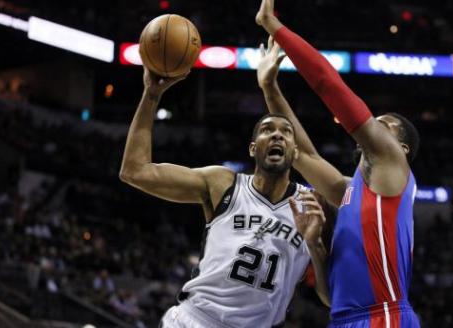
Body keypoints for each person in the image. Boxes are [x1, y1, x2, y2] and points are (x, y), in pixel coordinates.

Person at [119, 67, 329, 327]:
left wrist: (316, 245)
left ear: (295, 151)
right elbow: (135, 171)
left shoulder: (311, 205)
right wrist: (151, 95)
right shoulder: (223, 184)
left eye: (286, 131)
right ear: (253, 149)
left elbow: (330, 299)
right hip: (196, 320)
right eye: (267, 130)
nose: (276, 134)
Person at [256, 1, 421, 327]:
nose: (373, 124)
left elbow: (328, 83)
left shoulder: (392, 164)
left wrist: (274, 27)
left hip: (384, 318)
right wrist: (270, 88)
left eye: (384, 125)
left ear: (400, 148)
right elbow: (301, 154)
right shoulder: (350, 191)